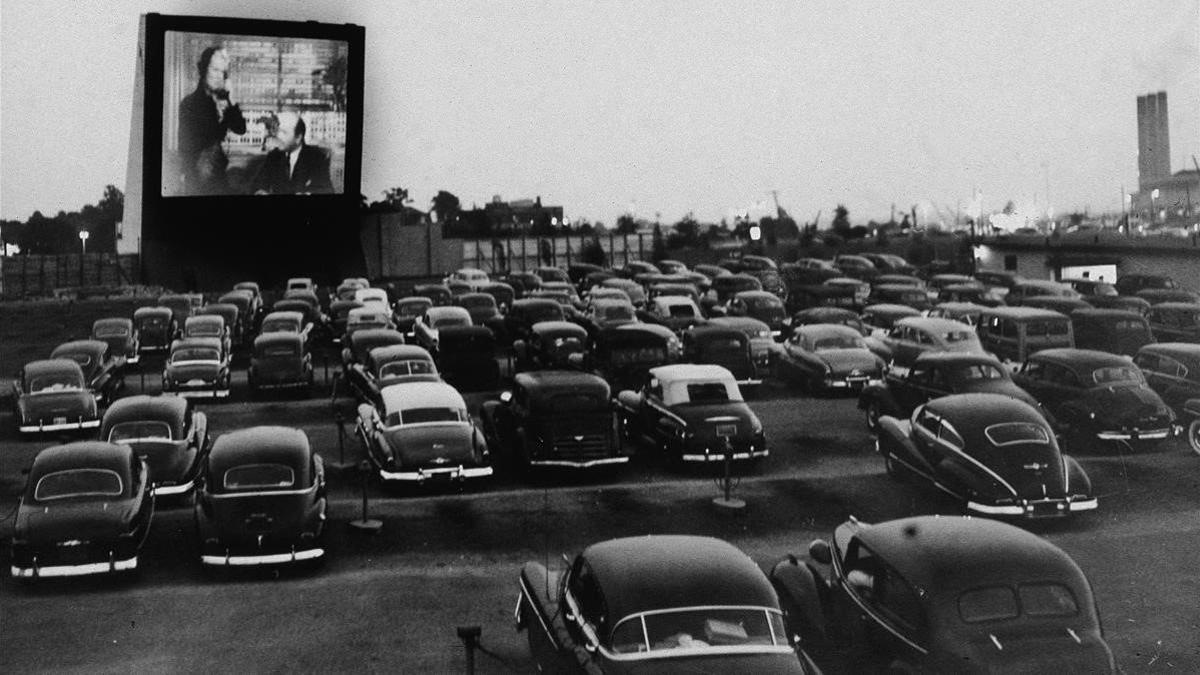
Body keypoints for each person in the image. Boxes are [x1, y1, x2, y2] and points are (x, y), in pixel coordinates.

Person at [178, 47, 247, 195]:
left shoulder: (223, 100)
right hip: (198, 179)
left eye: (223, 72)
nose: (219, 76)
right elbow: (191, 145)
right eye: (215, 70)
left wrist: (232, 99)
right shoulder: (189, 104)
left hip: (218, 175)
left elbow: (241, 128)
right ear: (203, 70)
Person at [251, 112, 334, 195]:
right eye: (277, 131)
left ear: (298, 138)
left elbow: (326, 190)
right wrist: (260, 191)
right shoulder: (273, 156)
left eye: (284, 132)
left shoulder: (317, 158)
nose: (278, 136)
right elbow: (257, 184)